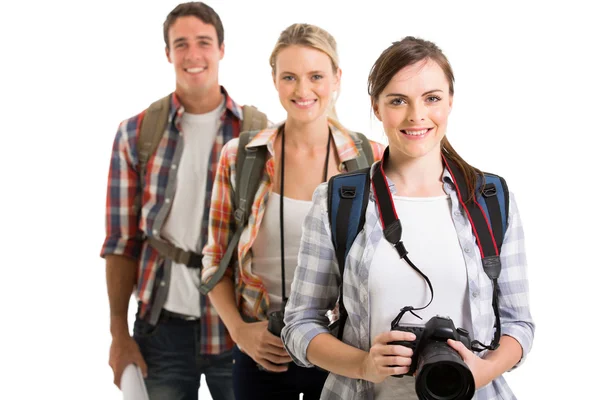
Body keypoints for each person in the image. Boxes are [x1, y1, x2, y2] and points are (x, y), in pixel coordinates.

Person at [281, 36, 535, 399]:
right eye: (398, 100)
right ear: (377, 107)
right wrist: (363, 365)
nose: (417, 115)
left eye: (431, 98)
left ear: (450, 102)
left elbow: (518, 323)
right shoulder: (339, 201)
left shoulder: (489, 198)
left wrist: (484, 371)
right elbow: (300, 324)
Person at [200, 23, 385, 400]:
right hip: (262, 348)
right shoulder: (239, 157)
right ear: (274, 80)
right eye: (289, 77)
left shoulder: (374, 159)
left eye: (316, 76)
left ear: (337, 78)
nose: (303, 90)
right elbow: (214, 259)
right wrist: (239, 331)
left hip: (341, 348)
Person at [100, 3, 265, 399]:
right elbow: (121, 243)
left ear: (222, 49)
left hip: (238, 329)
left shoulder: (258, 134)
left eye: (204, 42)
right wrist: (119, 335)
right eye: (181, 44)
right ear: (168, 53)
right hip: (162, 330)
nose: (193, 55)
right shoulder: (136, 134)